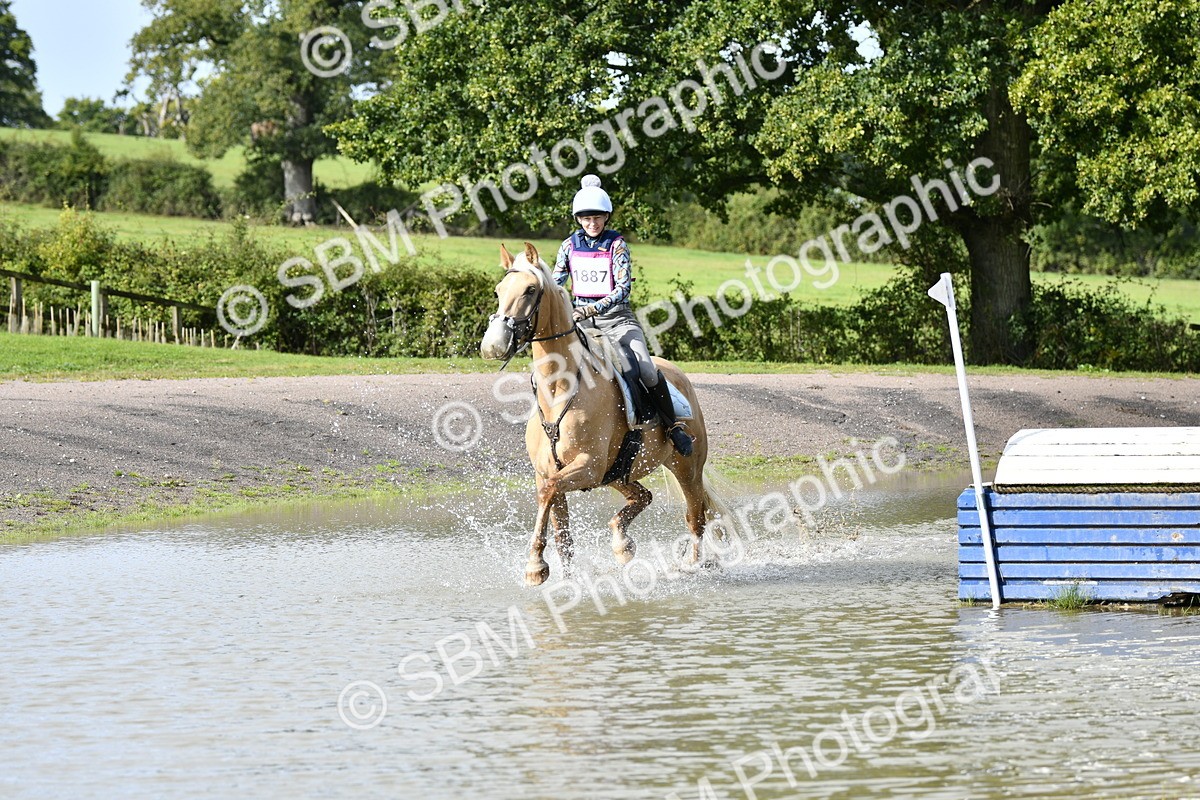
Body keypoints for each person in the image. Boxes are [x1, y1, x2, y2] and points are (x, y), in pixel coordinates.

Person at [553, 175, 694, 456]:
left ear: (606, 217)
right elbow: (557, 281)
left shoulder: (616, 245)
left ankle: (672, 425)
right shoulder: (568, 246)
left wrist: (592, 308)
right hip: (580, 323)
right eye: (586, 219)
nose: (592, 224)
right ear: (578, 219)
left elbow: (623, 288)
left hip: (617, 321)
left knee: (644, 367)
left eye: (597, 218)